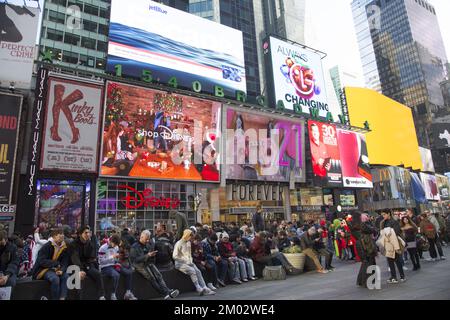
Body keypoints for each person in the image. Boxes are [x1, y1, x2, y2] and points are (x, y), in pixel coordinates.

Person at [130, 230, 179, 300]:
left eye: (148, 239)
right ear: (141, 237)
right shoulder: (134, 246)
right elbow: (135, 260)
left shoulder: (146, 244)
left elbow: (147, 254)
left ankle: (167, 291)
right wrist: (147, 255)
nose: (147, 241)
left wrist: (151, 255)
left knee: (159, 275)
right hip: (139, 265)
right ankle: (165, 293)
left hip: (148, 262)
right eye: (146, 239)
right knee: (151, 278)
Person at [173, 229, 215, 296]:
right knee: (192, 271)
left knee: (198, 271)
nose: (191, 238)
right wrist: (185, 260)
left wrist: (190, 260)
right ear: (187, 235)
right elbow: (175, 256)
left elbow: (189, 254)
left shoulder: (188, 243)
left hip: (189, 262)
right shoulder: (178, 243)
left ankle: (204, 287)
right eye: (190, 236)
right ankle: (198, 287)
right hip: (179, 264)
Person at [69, 225, 106, 300]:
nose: (88, 234)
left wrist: (88, 266)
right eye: (86, 233)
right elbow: (74, 259)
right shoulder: (73, 244)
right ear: (80, 234)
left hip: (87, 265)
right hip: (75, 266)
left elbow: (91, 257)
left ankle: (101, 296)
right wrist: (80, 270)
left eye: (89, 233)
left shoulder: (89, 243)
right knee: (79, 278)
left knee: (97, 274)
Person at [31, 228, 69, 300]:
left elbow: (65, 261)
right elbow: (41, 261)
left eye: (62, 234)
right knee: (55, 279)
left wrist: (61, 270)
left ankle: (62, 298)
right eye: (59, 234)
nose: (62, 236)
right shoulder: (47, 246)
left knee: (65, 276)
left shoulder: (64, 247)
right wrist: (55, 264)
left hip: (56, 269)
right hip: (43, 269)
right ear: (54, 237)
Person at [98, 234, 137, 300]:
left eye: (117, 244)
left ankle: (128, 293)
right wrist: (112, 257)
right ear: (110, 241)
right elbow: (101, 262)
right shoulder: (102, 248)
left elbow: (116, 259)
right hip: (105, 267)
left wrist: (118, 260)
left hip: (114, 265)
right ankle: (113, 294)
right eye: (115, 244)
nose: (116, 246)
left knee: (129, 272)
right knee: (116, 275)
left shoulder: (116, 247)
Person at [378, 212, 405, 283]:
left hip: (394, 242)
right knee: (390, 260)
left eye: (384, 214)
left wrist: (388, 231)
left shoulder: (394, 221)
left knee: (397, 260)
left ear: (388, 214)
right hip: (387, 243)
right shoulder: (383, 222)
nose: (383, 216)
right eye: (382, 215)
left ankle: (402, 276)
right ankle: (394, 277)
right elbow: (381, 232)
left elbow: (397, 231)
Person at [356, 215, 378, 288]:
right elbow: (373, 230)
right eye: (366, 217)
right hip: (367, 245)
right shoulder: (364, 225)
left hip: (365, 245)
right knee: (369, 263)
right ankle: (367, 281)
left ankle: (362, 281)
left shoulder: (362, 224)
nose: (368, 218)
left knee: (366, 263)